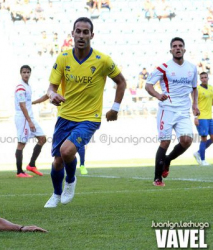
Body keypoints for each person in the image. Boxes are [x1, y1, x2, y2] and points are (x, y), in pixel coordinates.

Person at [44, 17, 127, 208]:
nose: (81, 35)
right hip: (65, 116)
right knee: (58, 161)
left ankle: (71, 181)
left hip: (89, 118)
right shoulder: (63, 58)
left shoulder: (103, 60)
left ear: (92, 35)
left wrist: (115, 108)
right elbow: (51, 87)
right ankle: (56, 194)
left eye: (85, 32)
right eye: (78, 31)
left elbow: (121, 82)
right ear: (72, 33)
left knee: (66, 151)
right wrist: (52, 95)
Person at [145, 37, 199, 187]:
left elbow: (194, 88)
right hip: (167, 109)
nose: (177, 48)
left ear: (184, 49)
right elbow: (148, 85)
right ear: (171, 50)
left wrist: (195, 105)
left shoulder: (192, 68)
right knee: (165, 141)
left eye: (180, 46)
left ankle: (167, 160)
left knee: (187, 141)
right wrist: (157, 95)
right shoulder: (163, 67)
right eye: (174, 46)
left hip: (183, 111)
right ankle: (157, 178)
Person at [15, 65, 46, 178]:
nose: (26, 74)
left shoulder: (27, 86)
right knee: (21, 143)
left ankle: (31, 165)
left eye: (28, 72)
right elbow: (22, 105)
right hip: (23, 118)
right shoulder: (20, 87)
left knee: (42, 138)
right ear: (21, 73)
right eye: (24, 72)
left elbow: (27, 103)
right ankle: (19, 172)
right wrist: (29, 121)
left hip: (29, 118)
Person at [193, 72, 213, 166]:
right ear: (200, 79)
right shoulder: (197, 89)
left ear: (208, 78)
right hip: (201, 117)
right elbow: (194, 104)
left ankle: (198, 153)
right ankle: (202, 160)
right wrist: (195, 117)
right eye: (202, 78)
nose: (204, 79)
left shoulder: (211, 88)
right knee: (204, 138)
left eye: (205, 77)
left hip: (209, 117)